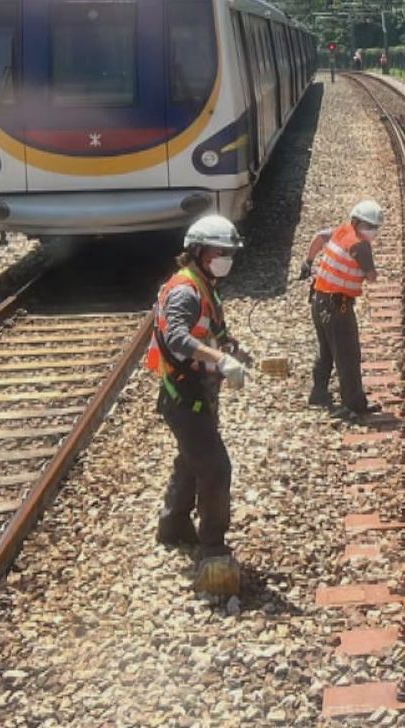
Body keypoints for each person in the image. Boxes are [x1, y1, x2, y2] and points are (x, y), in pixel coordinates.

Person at [150, 216, 250, 574]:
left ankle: (173, 525)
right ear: (198, 252)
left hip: (193, 392)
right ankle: (213, 545)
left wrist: (231, 349)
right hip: (184, 395)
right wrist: (219, 359)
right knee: (215, 467)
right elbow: (177, 338)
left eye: (229, 253)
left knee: (191, 459)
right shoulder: (185, 291)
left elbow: (208, 329)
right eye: (220, 252)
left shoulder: (203, 285)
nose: (226, 259)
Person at [302, 200, 383, 420]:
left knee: (326, 350)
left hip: (319, 301)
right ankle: (353, 404)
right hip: (338, 307)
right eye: (369, 226)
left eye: (374, 227)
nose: (372, 231)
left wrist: (308, 262)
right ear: (356, 222)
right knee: (348, 354)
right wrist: (372, 272)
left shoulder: (341, 231)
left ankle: (318, 394)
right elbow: (371, 277)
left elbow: (319, 237)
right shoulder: (361, 246)